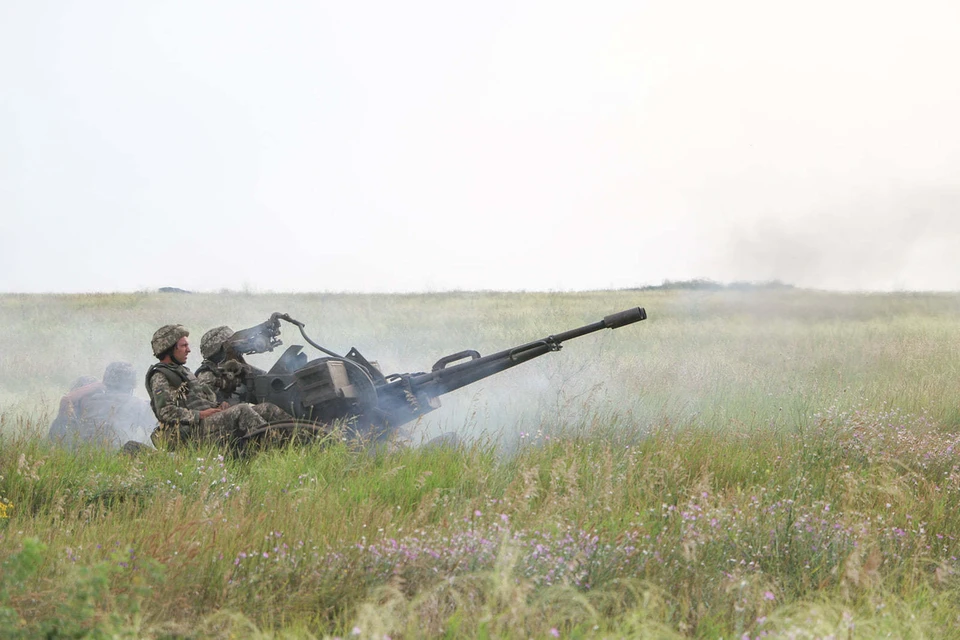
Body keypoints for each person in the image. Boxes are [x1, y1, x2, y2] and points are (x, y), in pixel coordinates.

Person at [146, 324, 290, 449]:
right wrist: (200, 414)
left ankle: (303, 438)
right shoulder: (160, 376)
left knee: (267, 409)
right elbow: (165, 412)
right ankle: (279, 447)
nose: (188, 350)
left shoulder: (184, 373)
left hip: (203, 423)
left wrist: (218, 406)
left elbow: (197, 401)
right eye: (184, 346)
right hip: (190, 431)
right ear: (170, 349)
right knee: (242, 410)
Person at [48, 363, 155, 449]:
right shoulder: (140, 405)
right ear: (132, 385)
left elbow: (66, 404)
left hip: (86, 454)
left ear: (105, 382)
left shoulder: (87, 402)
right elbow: (157, 432)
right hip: (118, 457)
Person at [195, 325, 264, 405]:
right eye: (230, 347)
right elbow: (203, 405)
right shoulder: (207, 375)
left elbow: (265, 382)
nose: (235, 350)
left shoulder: (236, 369)